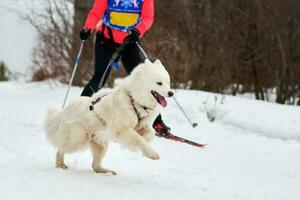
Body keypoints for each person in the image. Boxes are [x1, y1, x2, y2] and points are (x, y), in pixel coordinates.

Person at [79, 0, 170, 135]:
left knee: (143, 82)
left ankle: (156, 122)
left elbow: (148, 17)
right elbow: (96, 12)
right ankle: (79, 113)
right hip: (106, 40)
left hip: (130, 42)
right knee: (99, 79)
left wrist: (138, 31)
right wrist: (88, 28)